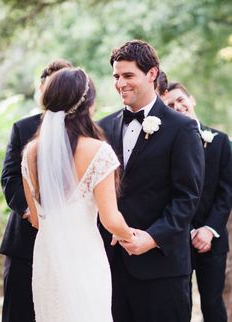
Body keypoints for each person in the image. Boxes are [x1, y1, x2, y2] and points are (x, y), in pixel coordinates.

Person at [98, 39, 205, 322]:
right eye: (116, 77)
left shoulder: (182, 128)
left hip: (162, 269)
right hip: (112, 267)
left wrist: (152, 237)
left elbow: (187, 197)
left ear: (152, 74)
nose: (120, 83)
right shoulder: (103, 127)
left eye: (128, 75)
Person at [21, 67, 135, 322]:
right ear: (88, 105)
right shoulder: (99, 151)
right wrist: (130, 235)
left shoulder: (30, 152)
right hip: (84, 257)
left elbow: (38, 220)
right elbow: (110, 219)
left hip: (47, 258)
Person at [0, 59, 73, 322]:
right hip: (24, 242)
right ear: (42, 88)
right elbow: (9, 178)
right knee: (18, 313)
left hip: (69, 240)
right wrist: (31, 213)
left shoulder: (83, 132)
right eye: (49, 84)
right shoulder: (23, 128)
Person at [163, 81, 232, 322]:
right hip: (178, 238)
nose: (177, 106)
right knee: (179, 304)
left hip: (212, 240)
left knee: (212, 304)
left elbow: (227, 192)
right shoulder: (166, 144)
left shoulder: (221, 141)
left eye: (180, 99)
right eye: (170, 104)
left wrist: (209, 229)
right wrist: (188, 229)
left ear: (191, 100)